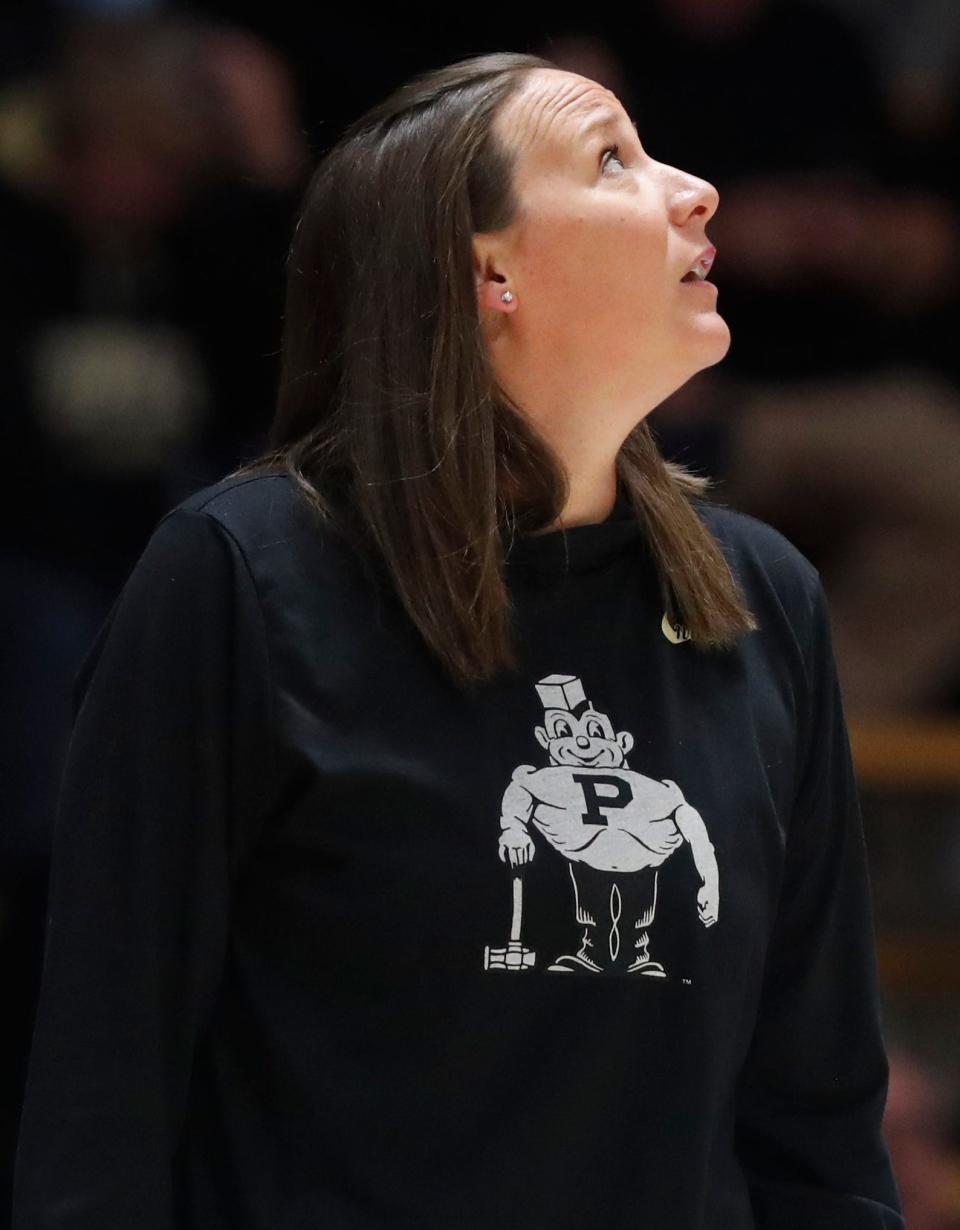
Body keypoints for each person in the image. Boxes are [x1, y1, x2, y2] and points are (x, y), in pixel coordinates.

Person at [11, 51, 905, 1229]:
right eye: (613, 158)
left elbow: (821, 1120)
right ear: (490, 272)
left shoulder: (764, 596)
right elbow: (102, 1092)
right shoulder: (241, 576)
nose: (696, 190)